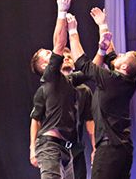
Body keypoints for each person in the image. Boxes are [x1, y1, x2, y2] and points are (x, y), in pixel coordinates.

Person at [67, 8, 136, 179]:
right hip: (123, 149)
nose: (120, 54)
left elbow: (82, 62)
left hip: (109, 148)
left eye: (123, 55)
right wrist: (102, 25)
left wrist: (72, 31)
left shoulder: (111, 80)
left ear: (124, 67)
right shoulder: (129, 80)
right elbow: (110, 54)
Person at [28, 0, 77, 179]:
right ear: (44, 65)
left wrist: (103, 47)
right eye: (47, 54)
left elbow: (91, 69)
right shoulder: (50, 75)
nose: (53, 52)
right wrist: (61, 12)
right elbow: (59, 44)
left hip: (66, 148)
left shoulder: (66, 80)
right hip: (49, 145)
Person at [30, 47, 95, 179]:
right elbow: (36, 119)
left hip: (73, 148)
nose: (66, 59)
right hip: (52, 144)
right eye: (63, 57)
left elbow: (90, 121)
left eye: (69, 57)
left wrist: (95, 147)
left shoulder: (84, 90)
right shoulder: (46, 88)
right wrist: (32, 149)